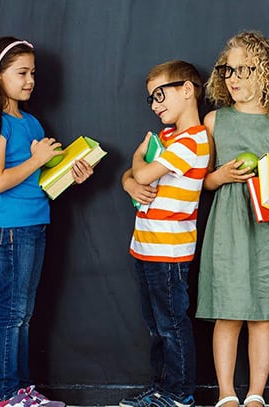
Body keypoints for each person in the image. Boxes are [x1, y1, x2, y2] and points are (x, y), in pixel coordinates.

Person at [0, 36, 94, 407]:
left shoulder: (33, 122)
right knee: (12, 312)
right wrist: (38, 160)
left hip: (35, 223)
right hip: (11, 228)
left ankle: (21, 390)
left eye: (32, 73)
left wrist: (72, 173)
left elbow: (44, 185)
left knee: (23, 313)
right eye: (21, 73)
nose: (30, 80)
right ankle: (6, 394)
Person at [195, 31, 269, 407]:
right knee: (227, 314)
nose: (234, 78)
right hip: (228, 229)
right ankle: (227, 394)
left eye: (245, 70)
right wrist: (221, 176)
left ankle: (256, 394)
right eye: (228, 70)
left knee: (263, 315)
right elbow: (204, 181)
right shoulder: (215, 121)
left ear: (267, 73)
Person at [118, 60, 208, 407]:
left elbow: (141, 174)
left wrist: (138, 158)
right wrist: (129, 181)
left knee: (171, 326)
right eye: (151, 100)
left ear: (187, 90)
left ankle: (179, 393)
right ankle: (161, 388)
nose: (155, 105)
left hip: (169, 252)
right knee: (156, 328)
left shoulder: (192, 141)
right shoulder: (169, 137)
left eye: (160, 95)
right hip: (146, 246)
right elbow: (132, 179)